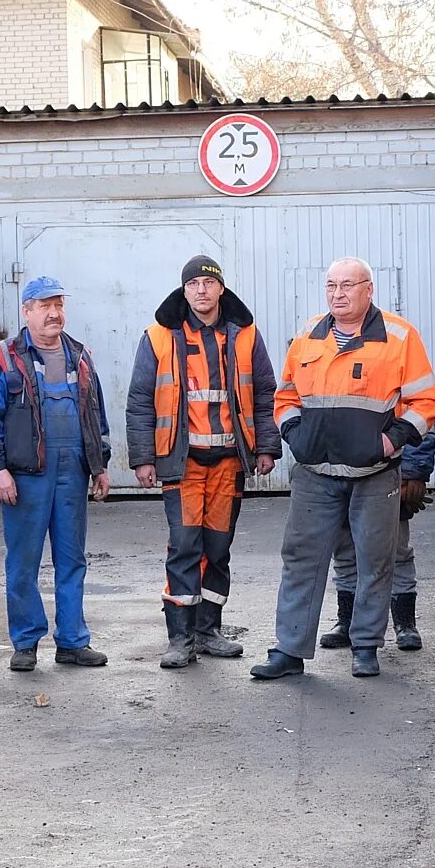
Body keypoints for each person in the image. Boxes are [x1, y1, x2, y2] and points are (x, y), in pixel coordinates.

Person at [251, 258, 435, 682]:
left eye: (347, 285)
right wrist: (295, 437)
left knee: (375, 560)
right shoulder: (308, 336)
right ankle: (289, 649)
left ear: (369, 290)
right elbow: (283, 398)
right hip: (315, 473)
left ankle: (365, 646)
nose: (338, 294)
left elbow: (426, 402)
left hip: (374, 475)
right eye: (331, 286)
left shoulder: (398, 336)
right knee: (301, 559)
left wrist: (389, 442)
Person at [125, 255, 280, 669]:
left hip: (229, 460)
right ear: (184, 289)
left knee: (219, 548)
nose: (201, 290)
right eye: (193, 283)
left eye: (208, 283)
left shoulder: (245, 336)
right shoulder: (159, 337)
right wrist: (143, 458)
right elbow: (140, 400)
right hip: (183, 462)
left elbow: (265, 393)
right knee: (185, 547)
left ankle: (208, 631)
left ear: (221, 289)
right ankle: (180, 638)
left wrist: (266, 447)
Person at [0, 277, 113, 672]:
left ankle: (72, 642)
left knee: (72, 560)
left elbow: (95, 415)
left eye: (58, 305)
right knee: (23, 562)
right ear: (26, 311)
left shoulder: (80, 355)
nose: (54, 313)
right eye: (44, 305)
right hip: (26, 474)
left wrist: (100, 464)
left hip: (72, 470)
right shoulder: (4, 357)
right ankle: (25, 642)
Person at [325, 425, 435, 651]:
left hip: (386, 472)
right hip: (336, 472)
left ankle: (405, 623)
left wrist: (414, 472)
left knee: (396, 551)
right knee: (345, 551)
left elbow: (420, 420)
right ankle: (347, 621)